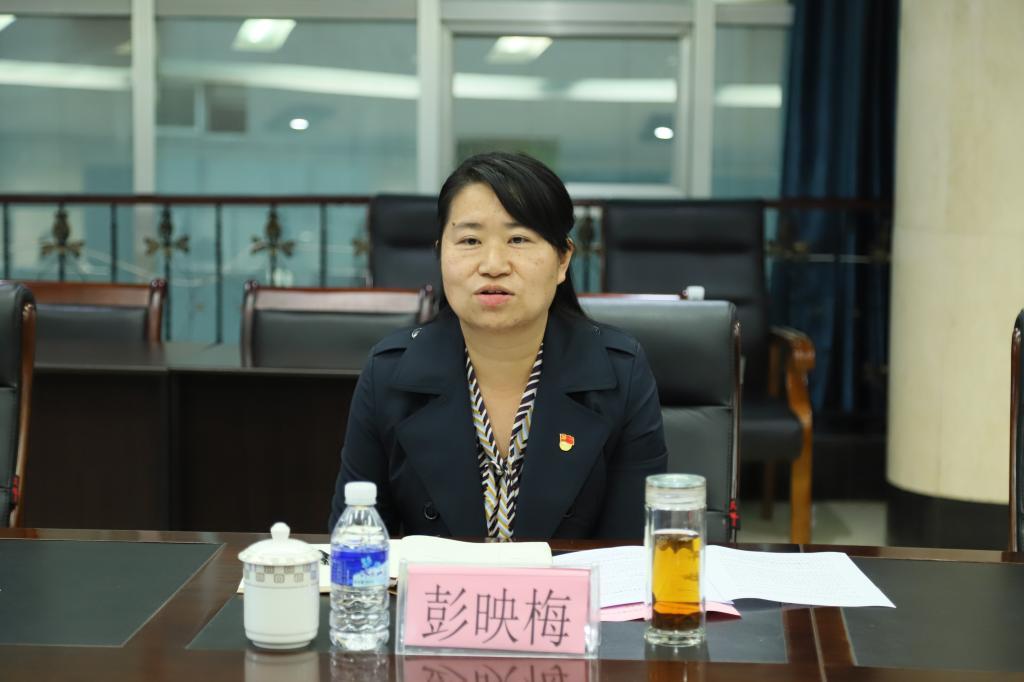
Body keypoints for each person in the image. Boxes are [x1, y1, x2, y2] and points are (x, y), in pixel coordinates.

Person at [329, 151, 667, 539]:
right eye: (470, 240)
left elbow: (631, 553)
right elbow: (356, 542)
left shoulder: (621, 373)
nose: (493, 264)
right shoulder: (388, 373)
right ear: (441, 254)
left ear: (562, 260)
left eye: (518, 239)